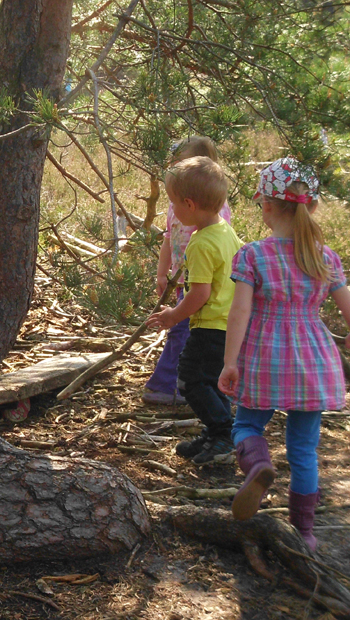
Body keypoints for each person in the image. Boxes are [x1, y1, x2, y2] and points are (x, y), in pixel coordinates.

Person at [219, 159, 350, 551]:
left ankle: (258, 464)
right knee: (304, 450)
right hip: (314, 360)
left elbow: (240, 311)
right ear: (312, 206)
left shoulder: (253, 255)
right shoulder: (326, 257)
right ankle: (304, 532)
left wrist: (229, 362)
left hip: (265, 358)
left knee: (246, 425)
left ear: (267, 206)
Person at [148, 156, 242, 466]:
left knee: (190, 380)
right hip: (228, 325)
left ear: (189, 204)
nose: (172, 209)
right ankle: (217, 432)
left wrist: (173, 316)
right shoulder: (225, 231)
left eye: (173, 202)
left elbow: (200, 293)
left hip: (210, 326)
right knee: (211, 381)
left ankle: (223, 433)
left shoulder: (200, 243)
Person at [144, 136, 233, 405]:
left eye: (179, 163)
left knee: (183, 331)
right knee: (185, 333)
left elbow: (217, 252)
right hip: (184, 281)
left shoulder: (213, 215)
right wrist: (163, 273)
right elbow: (169, 239)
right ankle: (185, 385)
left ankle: (169, 386)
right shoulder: (177, 206)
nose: (174, 167)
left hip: (201, 285)